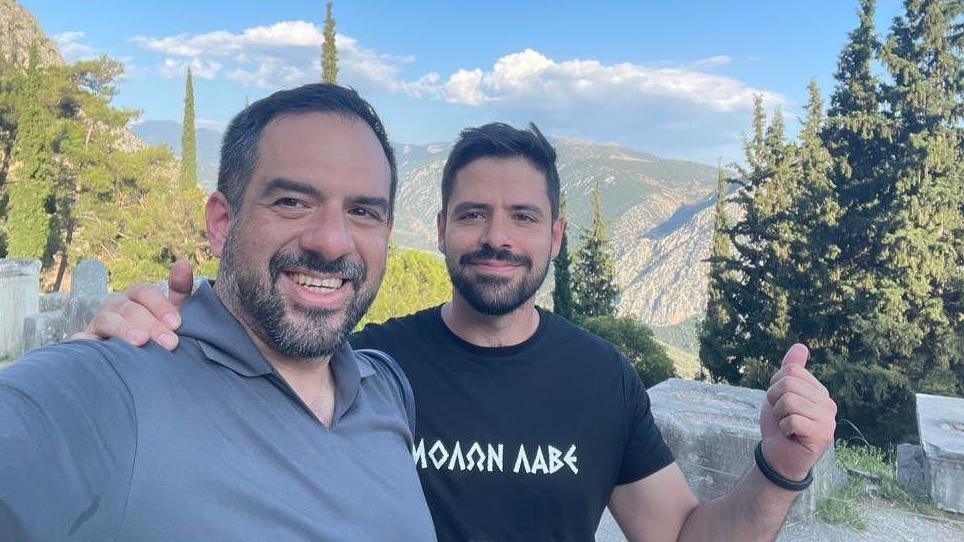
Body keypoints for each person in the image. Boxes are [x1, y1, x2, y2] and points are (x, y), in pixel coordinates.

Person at [82, 122, 838, 541]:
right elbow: (230, 395)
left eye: (523, 217)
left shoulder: (601, 378)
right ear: (441, 230)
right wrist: (142, 331)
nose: (496, 237)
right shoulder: (364, 365)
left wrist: (778, 466)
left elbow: (680, 541)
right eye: (473, 214)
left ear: (557, 237)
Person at [0, 84, 437, 541]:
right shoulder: (110, 386)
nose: (331, 241)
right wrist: (76, 361)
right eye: (292, 202)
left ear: (387, 232)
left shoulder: (385, 389)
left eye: (363, 211)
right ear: (222, 223)